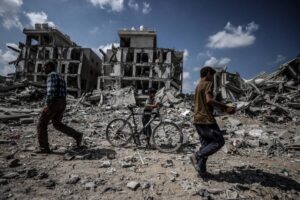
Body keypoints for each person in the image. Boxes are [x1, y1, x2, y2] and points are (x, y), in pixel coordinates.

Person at [190, 66, 235, 177]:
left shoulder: (198, 86)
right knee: (218, 142)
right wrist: (225, 107)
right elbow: (209, 100)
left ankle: (202, 171)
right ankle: (196, 155)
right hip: (206, 119)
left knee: (206, 145)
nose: (213, 78)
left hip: (197, 119)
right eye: (213, 75)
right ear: (208, 73)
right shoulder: (208, 83)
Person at [36, 61, 83, 153]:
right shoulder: (60, 76)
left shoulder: (51, 75)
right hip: (62, 102)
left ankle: (44, 148)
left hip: (54, 102)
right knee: (57, 123)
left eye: (44, 67)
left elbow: (51, 91)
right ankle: (77, 135)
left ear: (49, 66)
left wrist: (48, 103)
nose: (43, 69)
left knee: (41, 123)